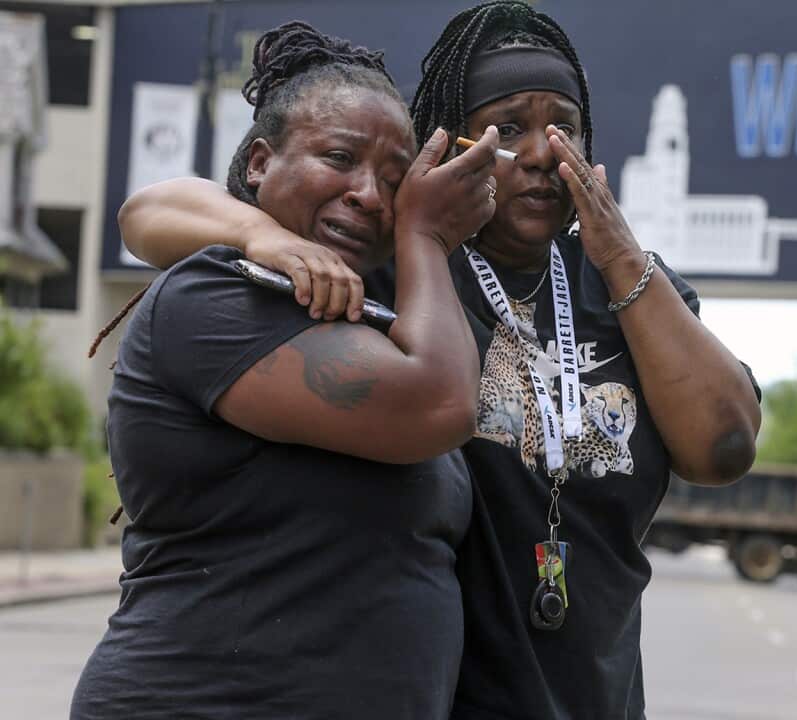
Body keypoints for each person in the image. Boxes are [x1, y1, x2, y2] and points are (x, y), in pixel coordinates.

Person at [119, 3, 762, 717]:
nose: (545, 152)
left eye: (565, 127)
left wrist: (618, 256)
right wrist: (259, 234)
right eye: (510, 127)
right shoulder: (396, 258)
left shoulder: (631, 287)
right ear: (450, 144)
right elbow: (151, 211)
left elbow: (723, 447)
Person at [72, 22, 500, 719]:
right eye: (339, 156)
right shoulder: (216, 293)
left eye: (396, 183)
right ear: (261, 162)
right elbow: (440, 406)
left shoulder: (378, 310)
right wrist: (268, 232)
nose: (369, 194)